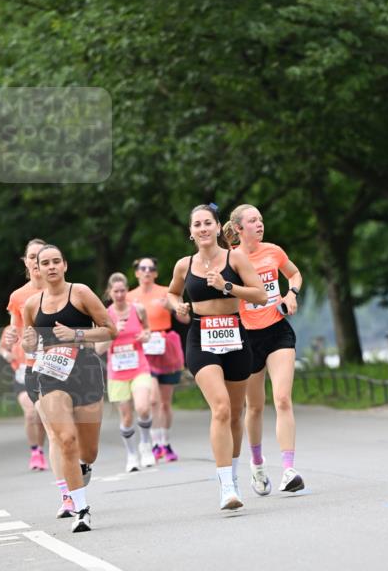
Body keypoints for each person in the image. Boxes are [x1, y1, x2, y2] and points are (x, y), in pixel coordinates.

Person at [168, 204, 267, 511]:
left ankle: (233, 475)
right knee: (221, 409)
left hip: (236, 336)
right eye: (196, 224)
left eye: (207, 223)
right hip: (201, 338)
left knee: (236, 414)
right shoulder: (184, 265)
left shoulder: (234, 258)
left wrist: (226, 286)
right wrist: (178, 306)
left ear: (216, 226)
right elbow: (172, 293)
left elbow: (260, 294)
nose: (202, 228)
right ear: (191, 232)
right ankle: (225, 487)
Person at [22, 245, 117, 533]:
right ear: (36, 269)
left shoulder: (81, 293)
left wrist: (76, 334)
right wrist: (26, 340)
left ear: (65, 265)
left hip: (85, 369)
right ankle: (81, 509)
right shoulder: (31, 304)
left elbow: (110, 329)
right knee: (65, 439)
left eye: (56, 262)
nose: (51, 267)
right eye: (44, 263)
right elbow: (30, 344)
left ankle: (84, 467)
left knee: (89, 451)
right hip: (50, 373)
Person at [224, 204, 305, 494]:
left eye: (261, 219)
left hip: (277, 331)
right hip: (246, 337)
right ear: (238, 229)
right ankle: (257, 465)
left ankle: (288, 470)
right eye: (253, 221)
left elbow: (295, 274)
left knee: (282, 398)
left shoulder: (274, 250)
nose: (260, 224)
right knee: (255, 407)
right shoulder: (230, 260)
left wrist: (290, 293)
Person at [126, 257, 184, 462]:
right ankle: (154, 442)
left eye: (151, 268)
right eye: (143, 268)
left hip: (165, 345)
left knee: (165, 403)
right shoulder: (129, 297)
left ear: (156, 273)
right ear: (137, 273)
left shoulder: (165, 292)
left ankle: (165, 443)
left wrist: (174, 307)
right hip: (143, 348)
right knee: (152, 400)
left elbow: (184, 318)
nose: (147, 271)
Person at [97, 273, 156, 472]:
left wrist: (144, 336)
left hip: (139, 366)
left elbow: (148, 331)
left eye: (123, 290)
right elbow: (99, 349)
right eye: (116, 291)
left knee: (143, 408)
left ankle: (146, 445)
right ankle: (131, 455)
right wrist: (114, 332)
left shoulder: (138, 309)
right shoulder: (104, 316)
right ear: (109, 292)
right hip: (118, 372)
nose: (120, 295)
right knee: (127, 417)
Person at [0, 238, 49, 471]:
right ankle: (37, 452)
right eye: (32, 256)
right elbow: (13, 327)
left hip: (57, 360)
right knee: (32, 412)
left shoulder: (61, 290)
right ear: (26, 262)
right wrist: (10, 337)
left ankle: (58, 447)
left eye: (41, 256)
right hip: (28, 362)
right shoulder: (18, 296)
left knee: (50, 412)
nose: (37, 261)